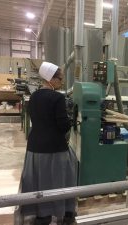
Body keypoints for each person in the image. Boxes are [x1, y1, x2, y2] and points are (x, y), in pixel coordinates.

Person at [20, 62, 77, 225]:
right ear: (51, 79)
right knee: (60, 180)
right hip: (54, 149)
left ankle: (41, 215)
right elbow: (63, 125)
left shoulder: (34, 96)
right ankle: (66, 213)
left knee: (38, 181)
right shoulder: (58, 97)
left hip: (34, 147)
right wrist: (71, 121)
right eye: (60, 79)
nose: (61, 82)